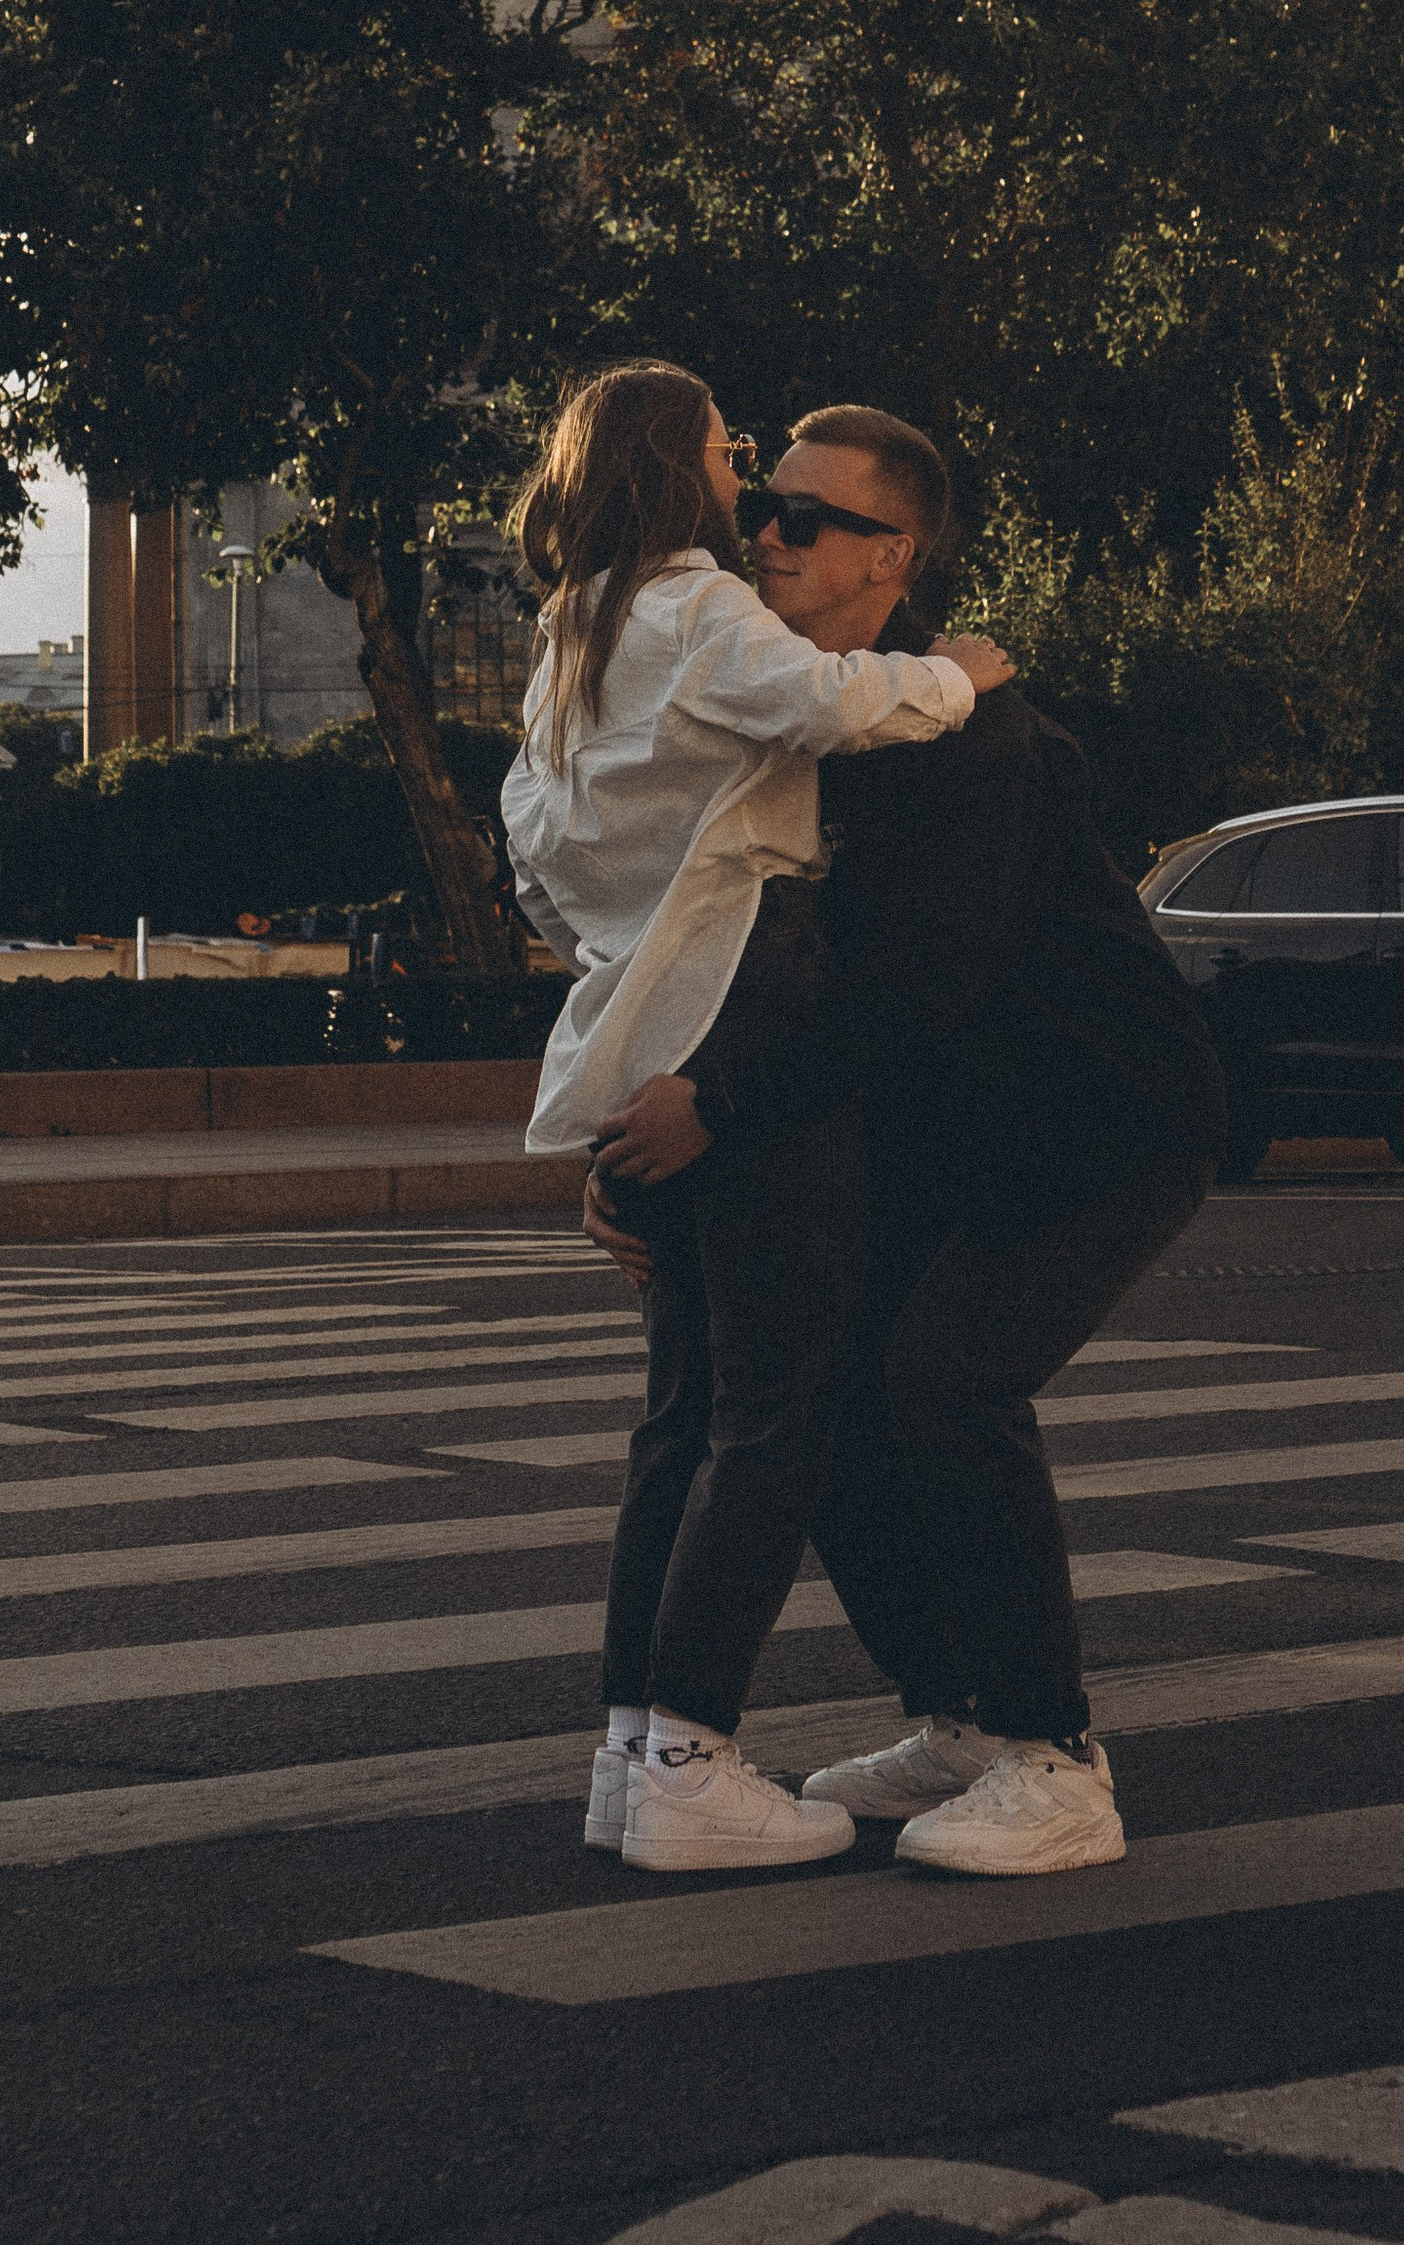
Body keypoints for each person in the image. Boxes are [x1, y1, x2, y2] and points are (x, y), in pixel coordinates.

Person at [585, 402, 1226, 1881]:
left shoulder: (968, 733)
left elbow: (919, 986)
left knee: (947, 1379)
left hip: (1097, 1117)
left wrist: (720, 1113)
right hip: (944, 1118)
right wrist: (634, 1159)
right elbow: (701, 948)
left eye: (811, 520)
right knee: (822, 1399)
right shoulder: (801, 710)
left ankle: (1059, 1758)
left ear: (899, 555)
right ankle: (961, 1715)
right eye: (766, 511)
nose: (770, 536)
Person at [505, 359, 1014, 1876]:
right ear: (683, 465)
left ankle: (629, 1751)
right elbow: (833, 702)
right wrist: (965, 673)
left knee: (683, 1414)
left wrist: (634, 946)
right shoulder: (695, 607)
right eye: (738, 457)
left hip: (646, 1008)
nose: (753, 489)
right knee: (776, 1412)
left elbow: (536, 861)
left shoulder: (569, 641)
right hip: (750, 995)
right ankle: (690, 1755)